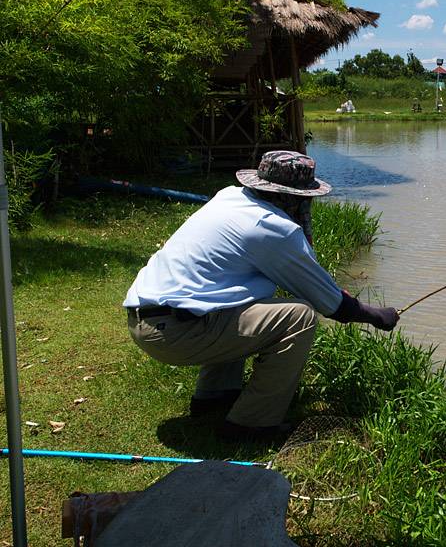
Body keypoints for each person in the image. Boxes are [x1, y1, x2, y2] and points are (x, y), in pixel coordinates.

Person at [123, 150, 398, 440]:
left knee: (243, 301)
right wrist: (379, 315)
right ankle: (251, 423)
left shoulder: (229, 196)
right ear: (294, 197)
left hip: (146, 319)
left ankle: (215, 396)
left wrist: (326, 290)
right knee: (299, 317)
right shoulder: (273, 227)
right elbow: (333, 306)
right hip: (174, 333)